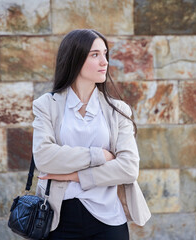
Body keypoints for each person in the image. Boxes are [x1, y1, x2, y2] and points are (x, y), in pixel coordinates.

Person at [32, 29, 151, 240]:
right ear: (74, 59)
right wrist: (99, 156)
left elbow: (128, 168)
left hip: (108, 221)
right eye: (95, 55)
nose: (104, 62)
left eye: (105, 54)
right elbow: (43, 157)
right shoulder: (46, 106)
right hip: (58, 220)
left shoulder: (118, 110)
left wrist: (73, 176)